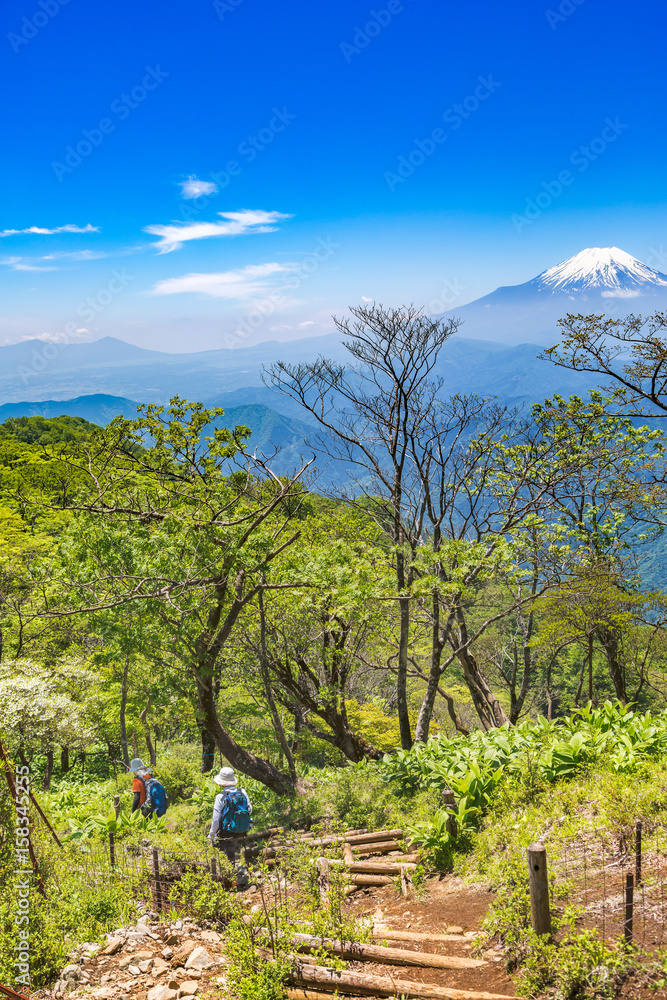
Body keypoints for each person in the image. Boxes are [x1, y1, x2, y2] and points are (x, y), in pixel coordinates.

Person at [208, 766, 252, 887]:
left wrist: (211, 834)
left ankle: (228, 882)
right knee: (232, 851)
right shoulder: (242, 792)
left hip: (226, 831)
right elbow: (249, 809)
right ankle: (234, 878)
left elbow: (216, 819)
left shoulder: (220, 797)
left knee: (226, 854)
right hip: (241, 830)